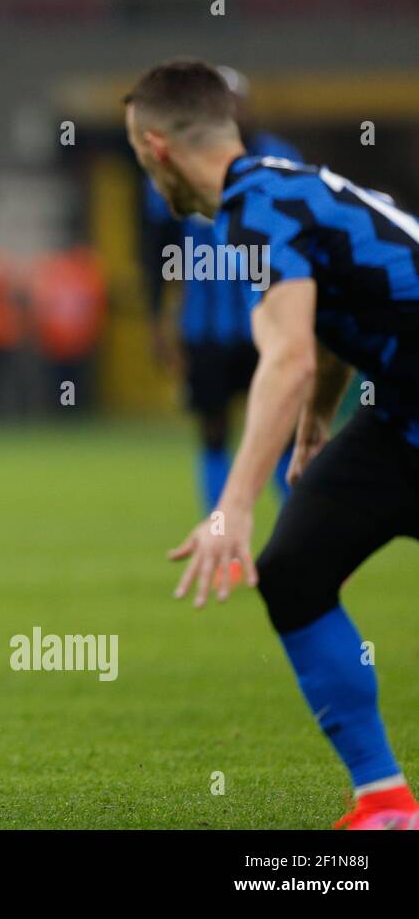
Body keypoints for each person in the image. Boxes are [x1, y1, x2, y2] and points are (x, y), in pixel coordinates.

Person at [125, 59, 419, 830]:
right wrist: (318, 419)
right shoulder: (289, 186)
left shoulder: (255, 207)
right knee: (295, 572)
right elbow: (342, 319)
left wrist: (232, 509)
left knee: (283, 558)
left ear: (156, 149)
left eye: (140, 162)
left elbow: (284, 356)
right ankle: (385, 802)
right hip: (401, 423)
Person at [141, 66, 300, 511]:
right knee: (213, 429)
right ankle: (220, 532)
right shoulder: (173, 164)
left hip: (269, 321)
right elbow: (158, 249)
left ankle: (297, 532)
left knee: (283, 429)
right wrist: (158, 319)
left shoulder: (279, 160)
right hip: (204, 328)